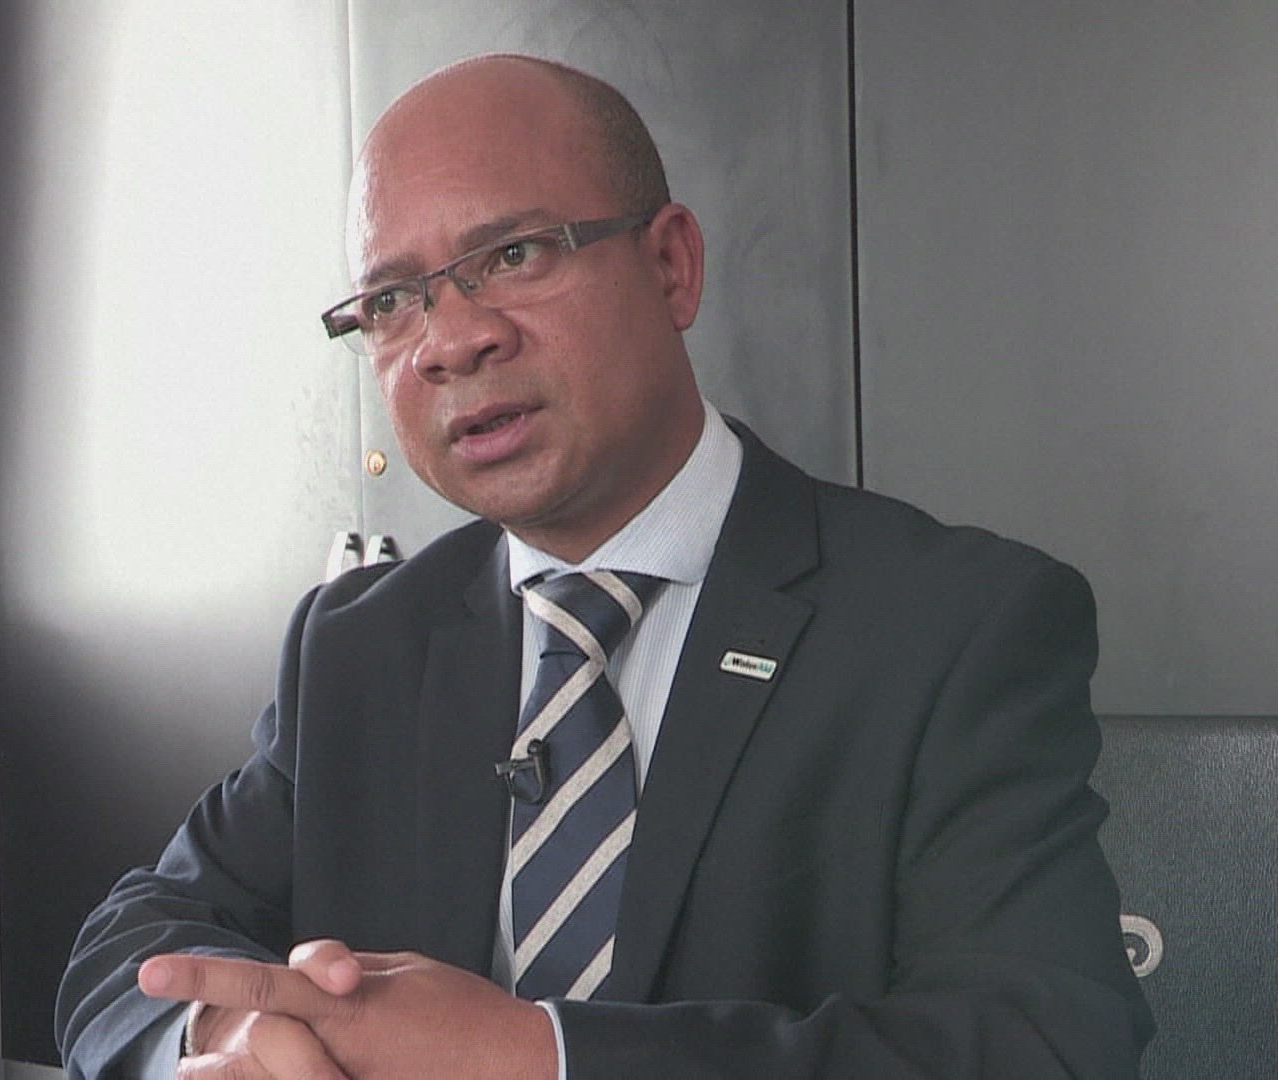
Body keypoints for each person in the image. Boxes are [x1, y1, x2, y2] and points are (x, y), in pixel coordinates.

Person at [57, 54, 1152, 1079]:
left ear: (671, 266)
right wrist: (227, 1028)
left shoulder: (955, 624)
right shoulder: (358, 645)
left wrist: (542, 1056)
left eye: (514, 256)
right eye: (392, 301)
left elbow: (1049, 1039)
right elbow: (128, 946)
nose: (452, 341)